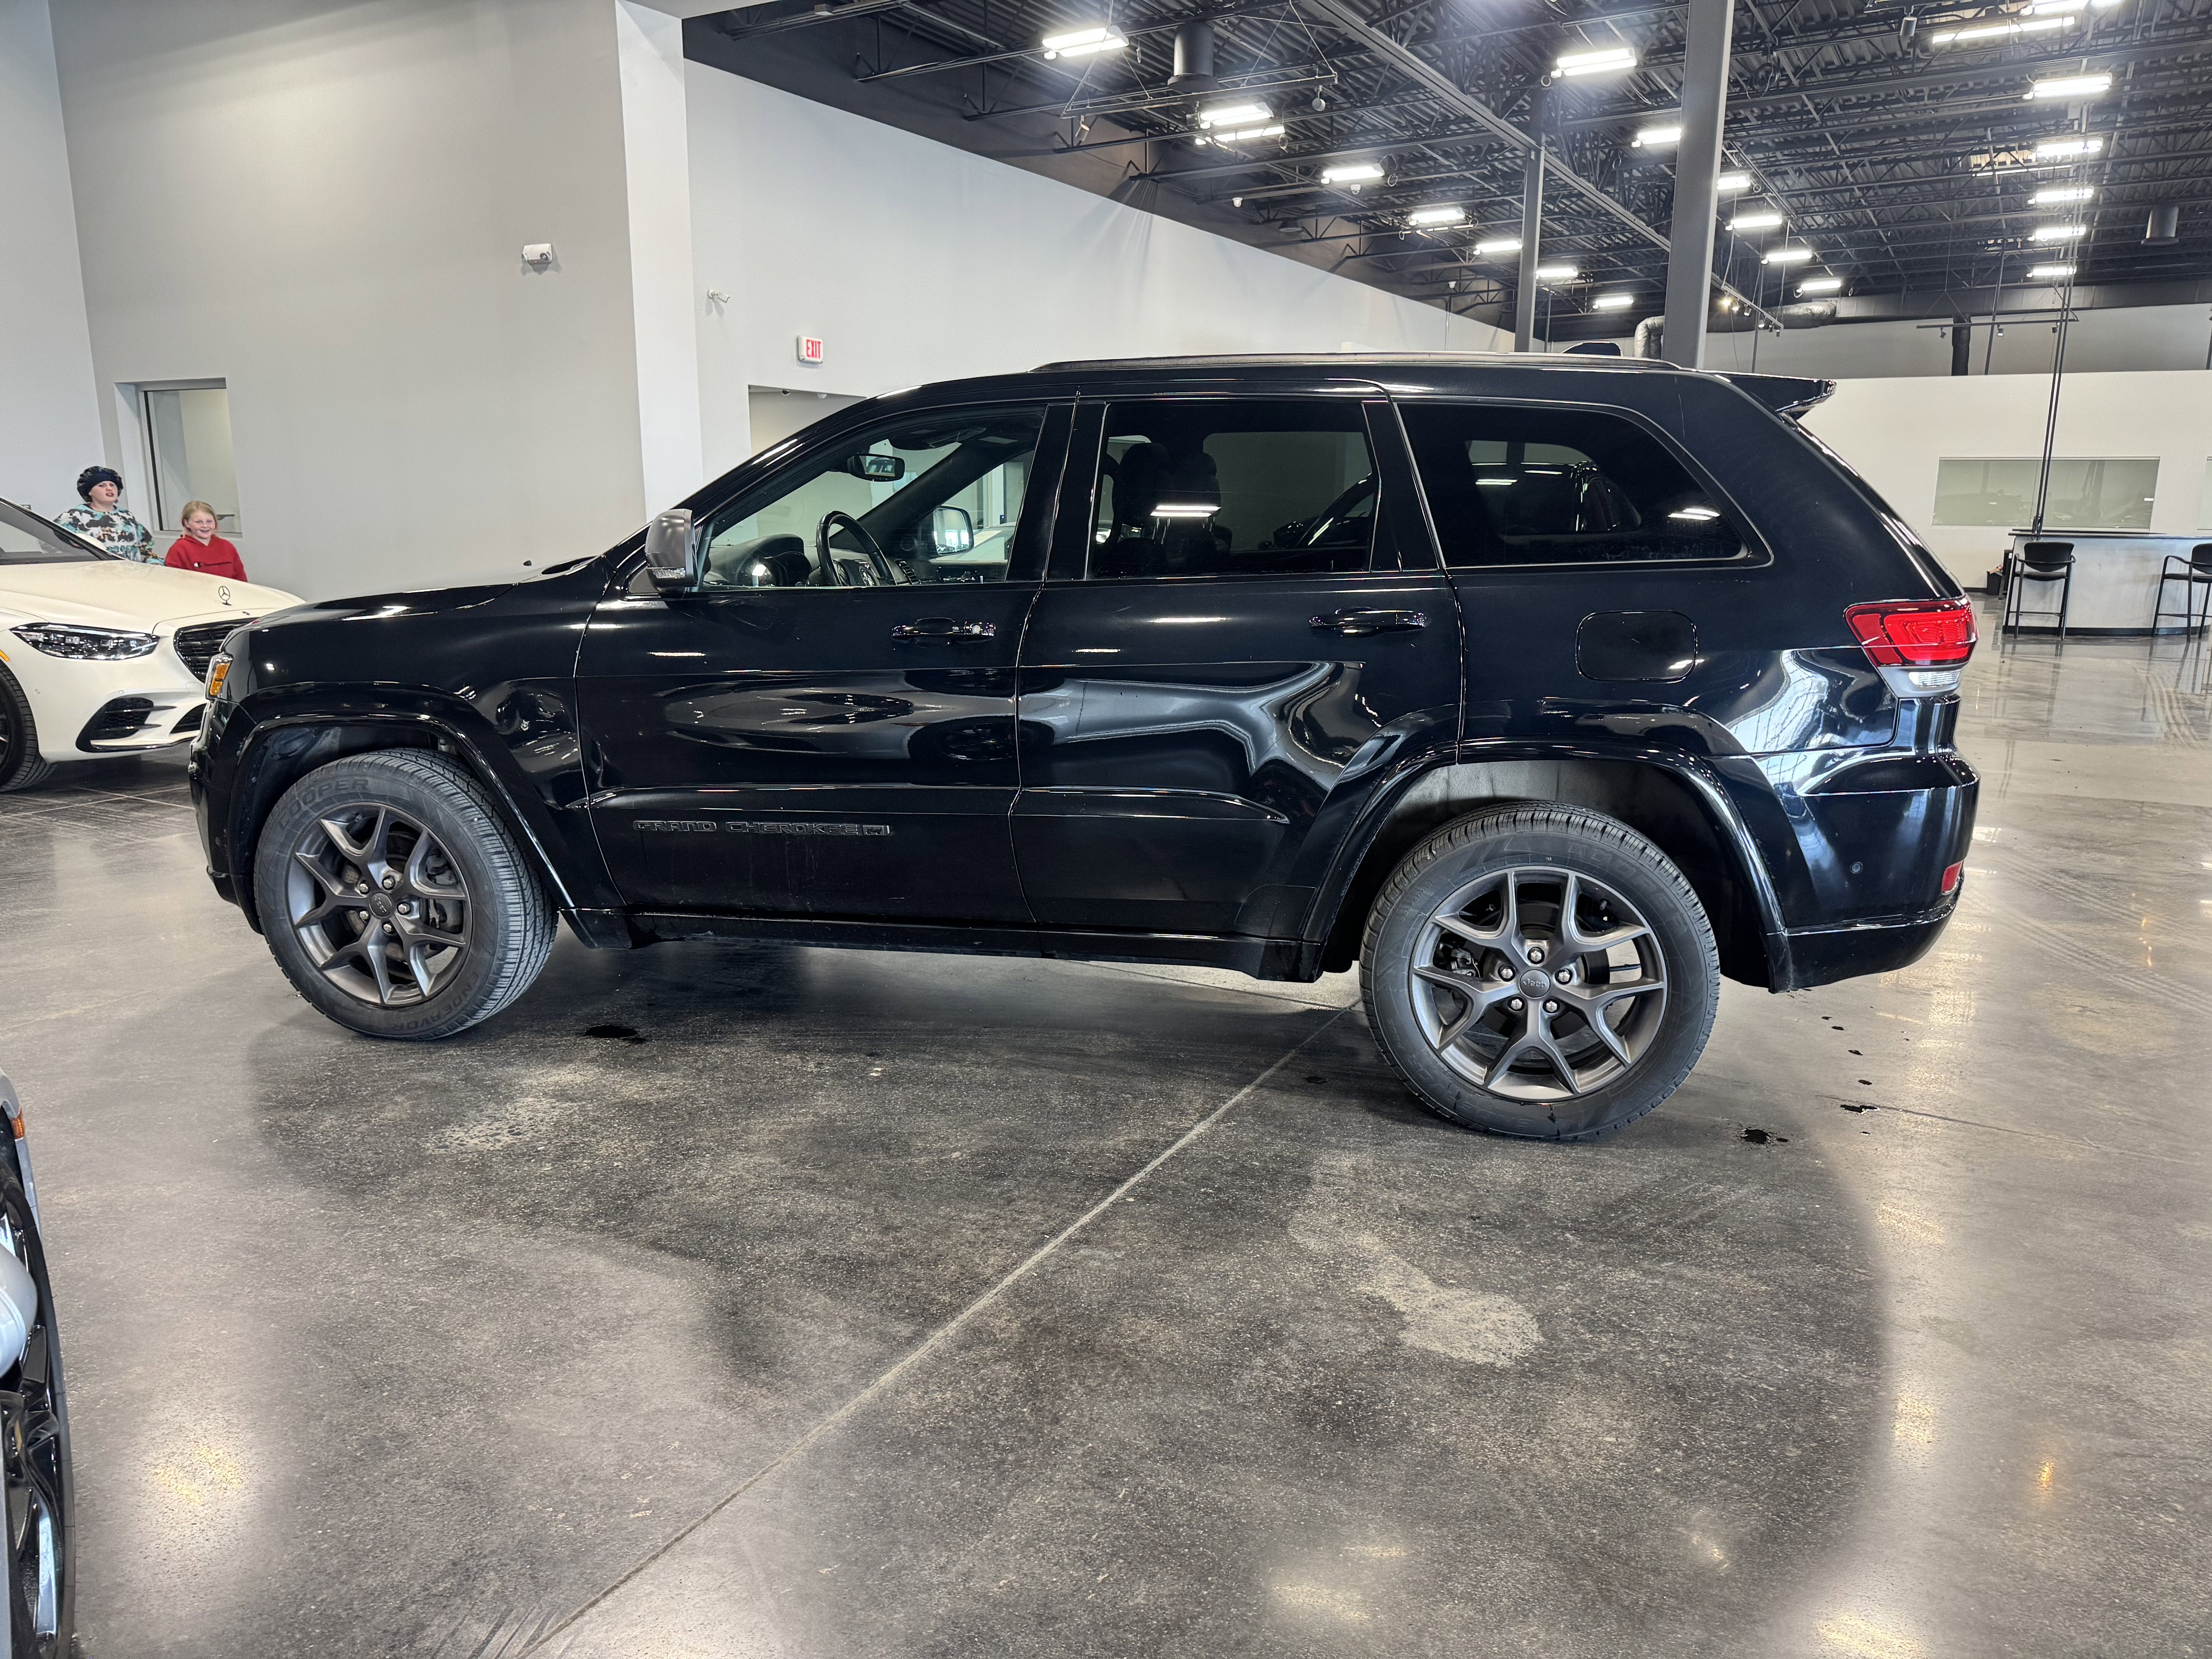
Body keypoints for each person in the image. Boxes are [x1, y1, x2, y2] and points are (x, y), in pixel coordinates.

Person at [55, 466, 155, 563]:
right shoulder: (75, 516)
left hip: (132, 574)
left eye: (112, 485)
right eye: (102, 485)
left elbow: (146, 550)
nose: (109, 489)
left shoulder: (127, 517)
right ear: (90, 491)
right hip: (96, 575)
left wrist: (155, 565)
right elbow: (55, 543)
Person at [164, 500, 247, 580]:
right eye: (199, 522)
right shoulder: (179, 549)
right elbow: (173, 584)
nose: (205, 526)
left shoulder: (227, 547)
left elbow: (241, 579)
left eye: (209, 522)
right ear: (187, 523)